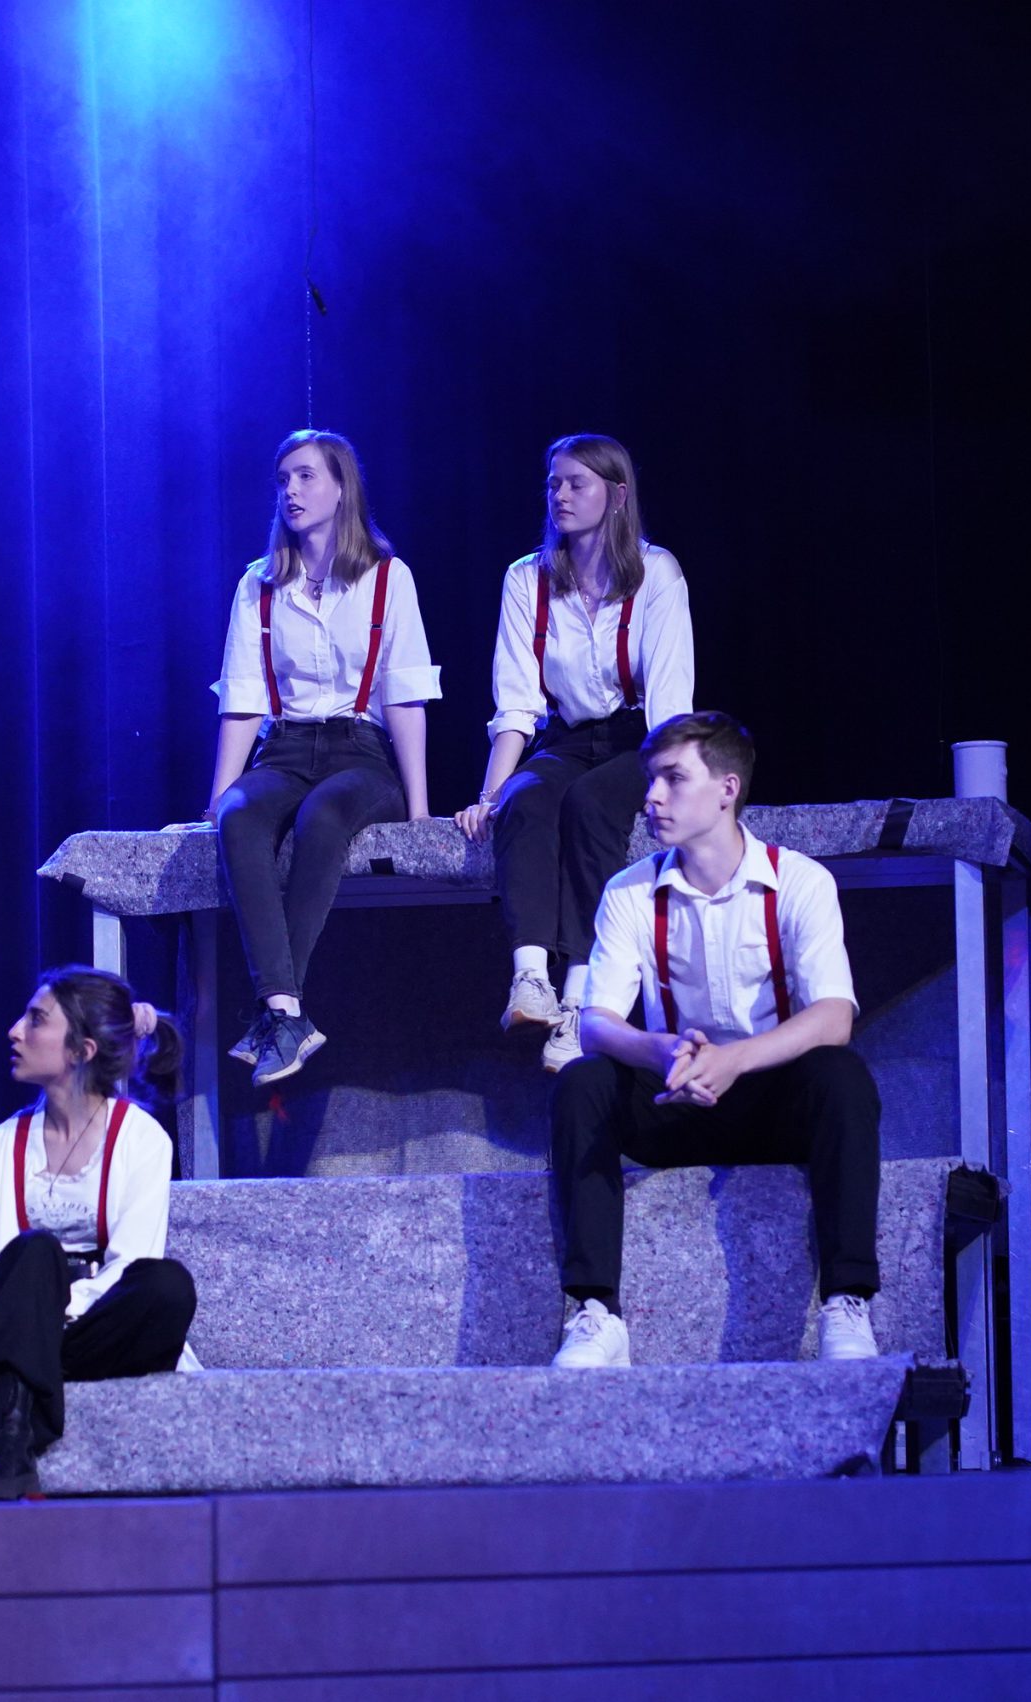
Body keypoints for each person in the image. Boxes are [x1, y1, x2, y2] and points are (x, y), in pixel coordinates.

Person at [547, 711, 882, 1368]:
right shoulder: (630, 891)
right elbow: (595, 1023)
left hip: (771, 1105)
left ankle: (847, 1303)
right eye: (651, 779)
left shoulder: (800, 880)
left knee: (842, 1076)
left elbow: (834, 1015)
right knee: (583, 1082)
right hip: (675, 1102)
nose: (652, 797)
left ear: (727, 789)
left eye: (673, 779)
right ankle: (595, 1312)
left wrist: (735, 1060)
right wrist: (662, 1051)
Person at [0, 966, 198, 1500]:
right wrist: (14, 1312)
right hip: (22, 1299)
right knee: (35, 1252)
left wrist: (43, 1321)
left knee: (167, 1287)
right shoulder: (4, 1143)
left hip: (94, 1321)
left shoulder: (140, 1139)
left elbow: (131, 1262)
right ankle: (9, 1450)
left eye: (36, 1020)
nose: (15, 1031)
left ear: (81, 1051)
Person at [203, 429, 439, 1084]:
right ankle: (285, 1010)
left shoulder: (387, 578)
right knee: (239, 817)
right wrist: (217, 797)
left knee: (324, 815)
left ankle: (279, 1012)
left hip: (358, 754)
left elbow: (406, 697)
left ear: (341, 488)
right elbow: (243, 700)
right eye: (283, 480)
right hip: (283, 751)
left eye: (306, 476)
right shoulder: (258, 584)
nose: (292, 491)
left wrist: (420, 810)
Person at [455, 435, 693, 1073]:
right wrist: (490, 795)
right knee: (526, 799)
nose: (560, 495)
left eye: (576, 484)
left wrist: (670, 781)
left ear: (616, 495)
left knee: (590, 805)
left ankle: (583, 1001)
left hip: (639, 740)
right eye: (554, 484)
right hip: (565, 737)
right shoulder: (526, 578)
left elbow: (670, 700)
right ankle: (531, 977)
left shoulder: (656, 573)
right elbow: (516, 705)